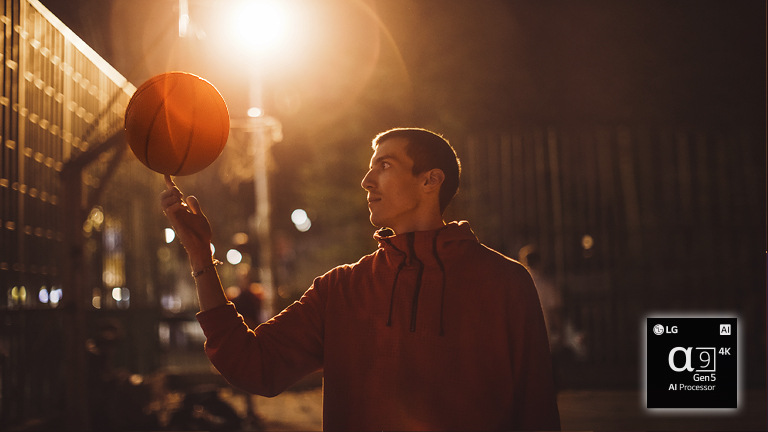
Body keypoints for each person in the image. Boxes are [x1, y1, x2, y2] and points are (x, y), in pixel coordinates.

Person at [160, 127, 561, 431]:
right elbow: (251, 364)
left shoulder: (505, 282)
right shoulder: (341, 289)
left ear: (430, 181)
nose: (367, 182)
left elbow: (537, 411)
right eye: (370, 169)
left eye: (384, 166)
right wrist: (201, 257)